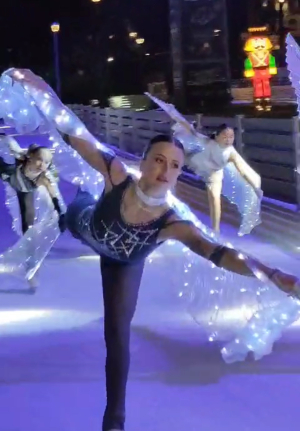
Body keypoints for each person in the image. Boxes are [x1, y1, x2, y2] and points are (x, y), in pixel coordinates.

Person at [2, 69, 300, 431]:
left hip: (123, 262)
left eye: (174, 165)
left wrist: (271, 274)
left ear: (178, 175)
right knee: (74, 211)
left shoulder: (174, 222)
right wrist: (42, 89)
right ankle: (68, 209)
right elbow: (72, 132)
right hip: (87, 223)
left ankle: (115, 417)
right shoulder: (115, 174)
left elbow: (218, 252)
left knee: (117, 332)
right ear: (143, 163)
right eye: (158, 160)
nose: (165, 169)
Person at [145, 92, 262, 236]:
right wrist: (165, 106)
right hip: (195, 160)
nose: (228, 139)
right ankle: (166, 204)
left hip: (214, 173)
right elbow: (183, 123)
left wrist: (254, 186)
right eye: (225, 136)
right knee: (174, 169)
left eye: (231, 137)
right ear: (217, 136)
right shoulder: (205, 142)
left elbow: (242, 170)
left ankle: (216, 230)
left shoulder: (231, 153)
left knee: (214, 198)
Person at [0, 135, 65, 235]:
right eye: (39, 159)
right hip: (10, 175)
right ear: (31, 157)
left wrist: (60, 213)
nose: (42, 165)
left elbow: (54, 195)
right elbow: (10, 143)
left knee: (28, 217)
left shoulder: (43, 178)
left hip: (25, 190)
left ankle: (28, 239)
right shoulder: (21, 158)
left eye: (46, 162)